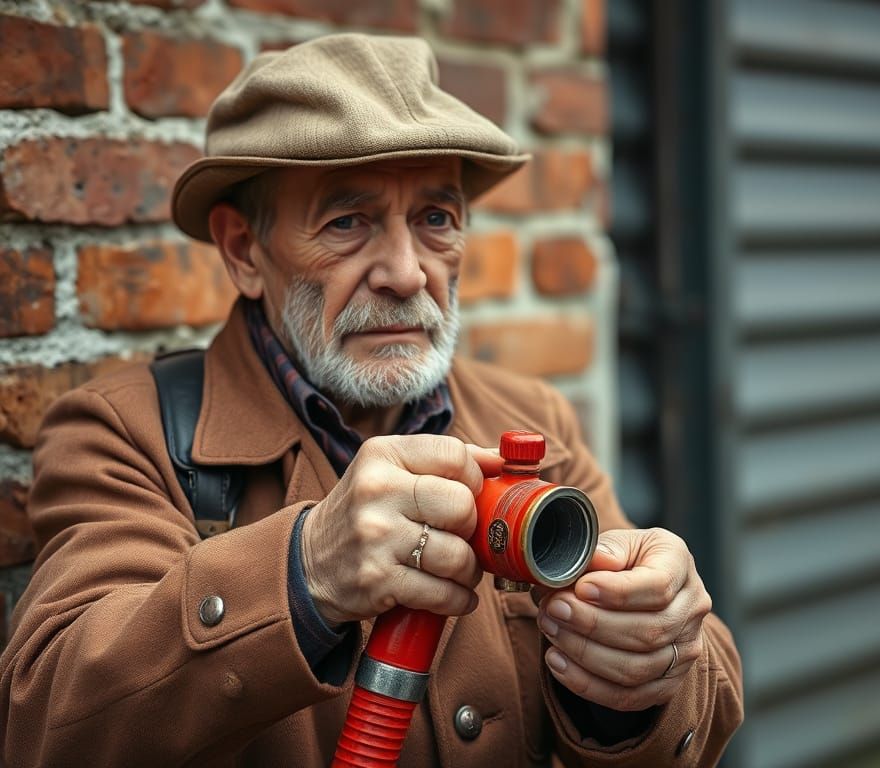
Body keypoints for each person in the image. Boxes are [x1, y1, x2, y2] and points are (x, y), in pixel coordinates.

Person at [0, 33, 742, 767]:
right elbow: (46, 726)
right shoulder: (127, 433)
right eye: (347, 222)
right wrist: (306, 572)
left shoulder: (536, 422)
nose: (406, 273)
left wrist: (649, 663)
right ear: (242, 252)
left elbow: (695, 713)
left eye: (436, 220)